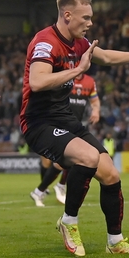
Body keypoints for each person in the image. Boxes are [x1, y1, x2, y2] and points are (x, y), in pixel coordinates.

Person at [20, 0, 129, 255]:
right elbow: (37, 81)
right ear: (67, 15)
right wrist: (77, 71)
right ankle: (68, 222)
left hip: (64, 118)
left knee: (111, 174)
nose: (90, 23)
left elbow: (108, 57)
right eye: (85, 17)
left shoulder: (78, 42)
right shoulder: (45, 41)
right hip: (38, 122)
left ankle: (115, 241)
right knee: (88, 157)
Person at [30, 72, 101, 207]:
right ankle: (54, 187)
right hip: (59, 122)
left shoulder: (90, 81)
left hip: (75, 124)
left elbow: (95, 101)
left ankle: (42, 190)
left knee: (70, 160)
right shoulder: (65, 77)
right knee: (68, 159)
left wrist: (96, 111)